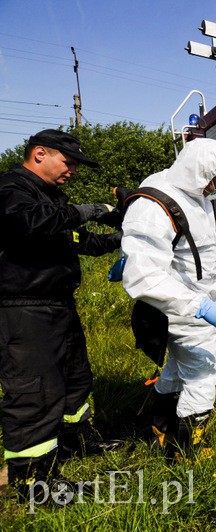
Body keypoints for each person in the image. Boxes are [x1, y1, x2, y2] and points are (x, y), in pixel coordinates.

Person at [0, 129, 123, 500]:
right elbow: (28, 223)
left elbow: (76, 240)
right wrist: (88, 211)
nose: (73, 171)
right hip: (24, 308)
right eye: (68, 162)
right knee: (33, 391)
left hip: (58, 305)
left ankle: (76, 441)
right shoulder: (11, 188)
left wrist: (121, 238)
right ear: (39, 154)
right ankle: (32, 479)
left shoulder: (50, 197)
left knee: (74, 379)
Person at [119, 138, 216, 458]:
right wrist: (201, 305)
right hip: (183, 306)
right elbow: (145, 275)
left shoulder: (193, 191)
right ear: (198, 173)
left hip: (195, 298)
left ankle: (162, 429)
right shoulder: (156, 201)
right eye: (214, 181)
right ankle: (189, 450)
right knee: (202, 375)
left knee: (174, 367)